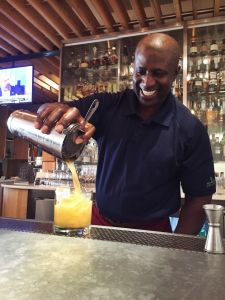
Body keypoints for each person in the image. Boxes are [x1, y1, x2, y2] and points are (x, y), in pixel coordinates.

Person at [34, 33, 216, 235]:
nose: (147, 82)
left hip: (154, 234)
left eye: (158, 73)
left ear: (175, 73)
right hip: (99, 223)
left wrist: (177, 247)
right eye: (141, 71)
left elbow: (199, 197)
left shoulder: (190, 129)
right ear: (133, 69)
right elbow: (63, 111)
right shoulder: (106, 106)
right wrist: (50, 110)